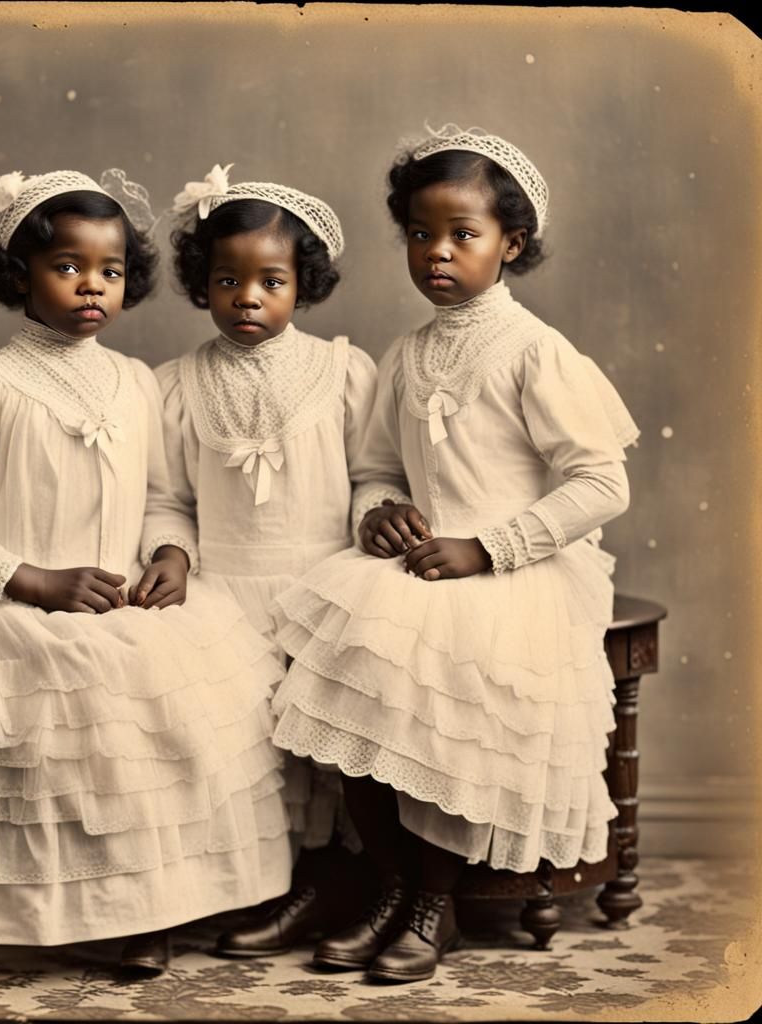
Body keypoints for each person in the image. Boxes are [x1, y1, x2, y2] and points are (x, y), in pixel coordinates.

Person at [0, 168, 293, 976]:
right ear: (21, 275)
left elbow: (160, 497)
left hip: (120, 598)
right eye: (67, 266)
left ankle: (147, 912)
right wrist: (27, 579)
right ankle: (39, 912)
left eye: (110, 270)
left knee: (147, 742)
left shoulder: (135, 381)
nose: (91, 286)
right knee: (50, 752)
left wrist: (171, 553)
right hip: (17, 602)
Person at [269, 125, 639, 983]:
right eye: (419, 233)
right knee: (344, 679)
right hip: (421, 562)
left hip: (514, 568)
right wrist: (378, 512)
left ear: (511, 243)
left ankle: (435, 902)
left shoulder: (535, 351)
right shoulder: (405, 354)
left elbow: (601, 483)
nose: (437, 251)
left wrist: (491, 547)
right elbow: (375, 468)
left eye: (462, 233)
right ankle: (391, 886)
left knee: (451, 689)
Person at [159, 165, 378, 957]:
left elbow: (374, 473)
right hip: (224, 592)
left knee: (326, 738)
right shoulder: (176, 386)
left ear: (303, 283)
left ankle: (337, 882)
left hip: (323, 581)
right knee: (241, 740)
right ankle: (256, 883)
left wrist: (375, 514)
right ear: (202, 283)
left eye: (271, 281)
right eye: (228, 280)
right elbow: (165, 497)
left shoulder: (345, 373)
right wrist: (173, 550)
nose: (247, 298)